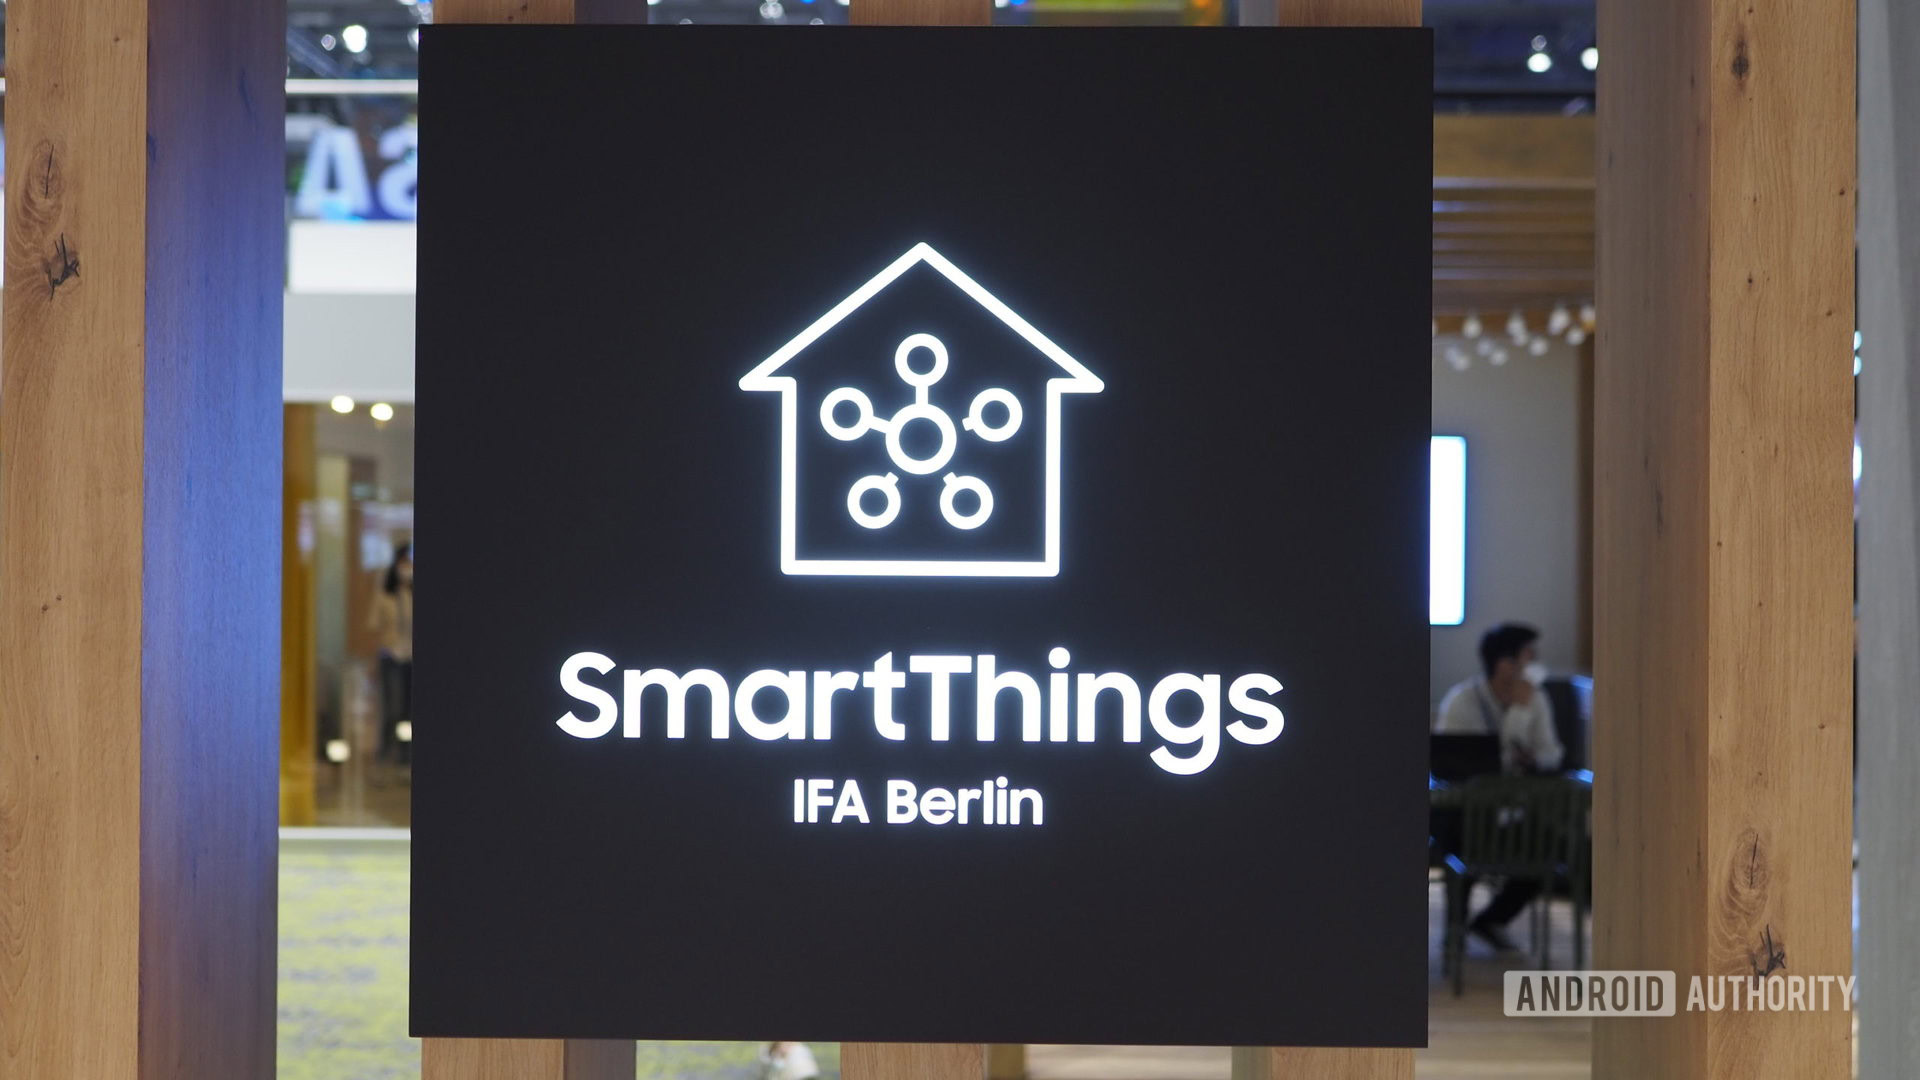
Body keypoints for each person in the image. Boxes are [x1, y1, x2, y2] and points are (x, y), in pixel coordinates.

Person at [1433, 621, 1565, 951]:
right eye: (1527, 655)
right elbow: (1454, 758)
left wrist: (1535, 757)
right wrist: (1516, 717)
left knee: (1551, 842)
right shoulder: (1463, 700)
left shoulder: (1536, 699)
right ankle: (1456, 926)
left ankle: (1491, 920)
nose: (1533, 662)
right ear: (1505, 663)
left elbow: (1552, 752)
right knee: (1459, 838)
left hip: (1517, 808)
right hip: (1468, 810)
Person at [369, 542, 414, 767]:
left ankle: (406, 756)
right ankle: (385, 754)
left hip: (410, 658)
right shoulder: (384, 596)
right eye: (404, 563)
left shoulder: (411, 595)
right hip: (391, 657)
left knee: (408, 710)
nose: (407, 568)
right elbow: (373, 628)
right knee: (392, 709)